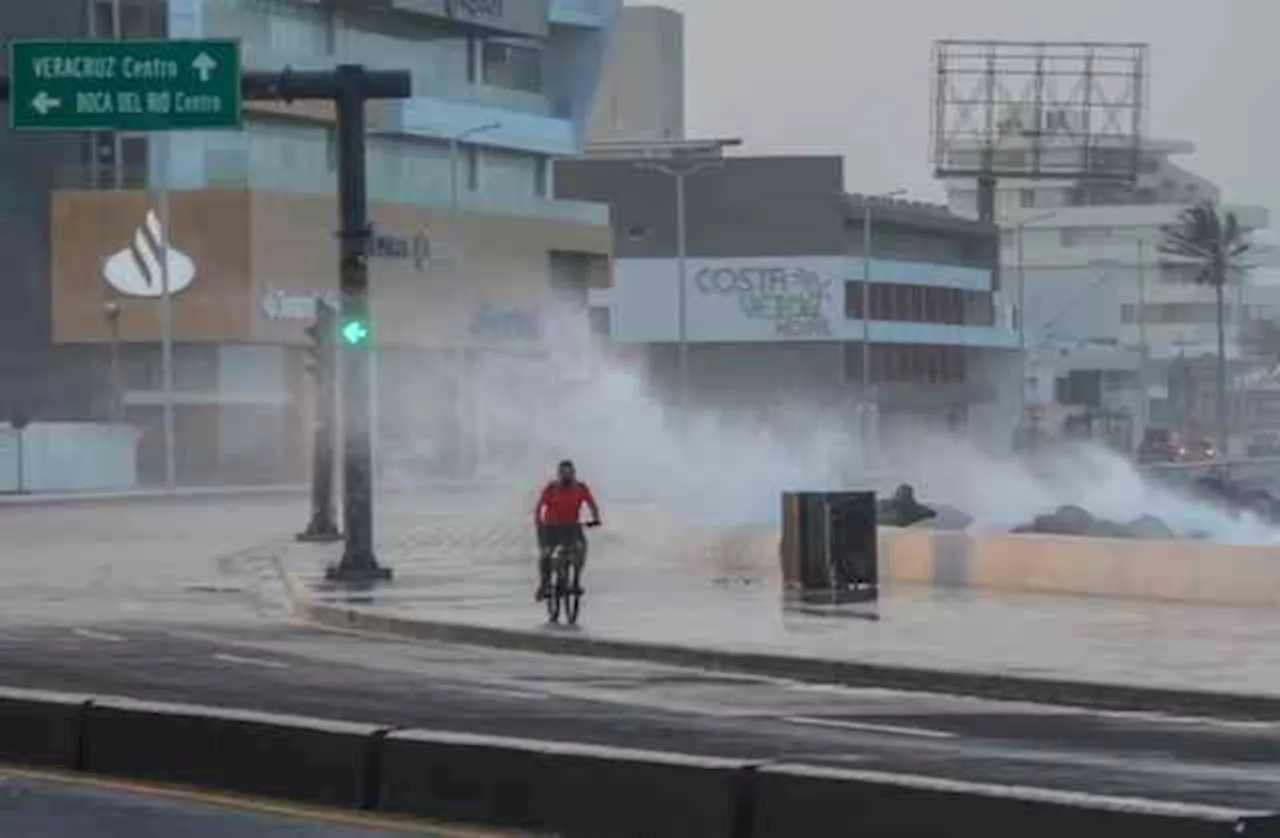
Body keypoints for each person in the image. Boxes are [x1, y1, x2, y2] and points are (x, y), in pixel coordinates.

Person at [533, 460, 601, 602]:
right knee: (546, 554)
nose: (566, 476)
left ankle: (576, 581)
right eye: (563, 473)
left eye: (569, 473)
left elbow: (592, 504)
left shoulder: (581, 488)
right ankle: (544, 584)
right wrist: (539, 523)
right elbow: (539, 507)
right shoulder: (551, 488)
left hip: (571, 527)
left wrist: (595, 518)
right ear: (559, 474)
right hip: (551, 528)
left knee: (581, 549)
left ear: (574, 474)